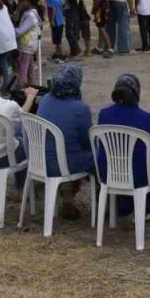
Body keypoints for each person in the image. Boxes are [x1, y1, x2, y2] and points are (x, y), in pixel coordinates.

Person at [96, 74, 150, 219]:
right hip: (139, 177)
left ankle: (122, 206)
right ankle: (143, 208)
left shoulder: (104, 114)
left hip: (110, 173)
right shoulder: (146, 118)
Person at [35, 63, 94, 219]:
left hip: (39, 160)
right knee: (96, 155)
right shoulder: (80, 108)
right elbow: (87, 142)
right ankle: (104, 205)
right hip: (63, 164)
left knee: (68, 150)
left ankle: (67, 199)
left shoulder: (45, 99)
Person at [14, 0, 43, 84]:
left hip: (26, 45)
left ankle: (21, 88)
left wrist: (10, 30)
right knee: (30, 68)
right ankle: (32, 87)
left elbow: (21, 30)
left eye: (21, 1)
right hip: (30, 45)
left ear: (27, 1)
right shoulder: (33, 13)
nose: (19, 4)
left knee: (22, 69)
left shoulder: (30, 15)